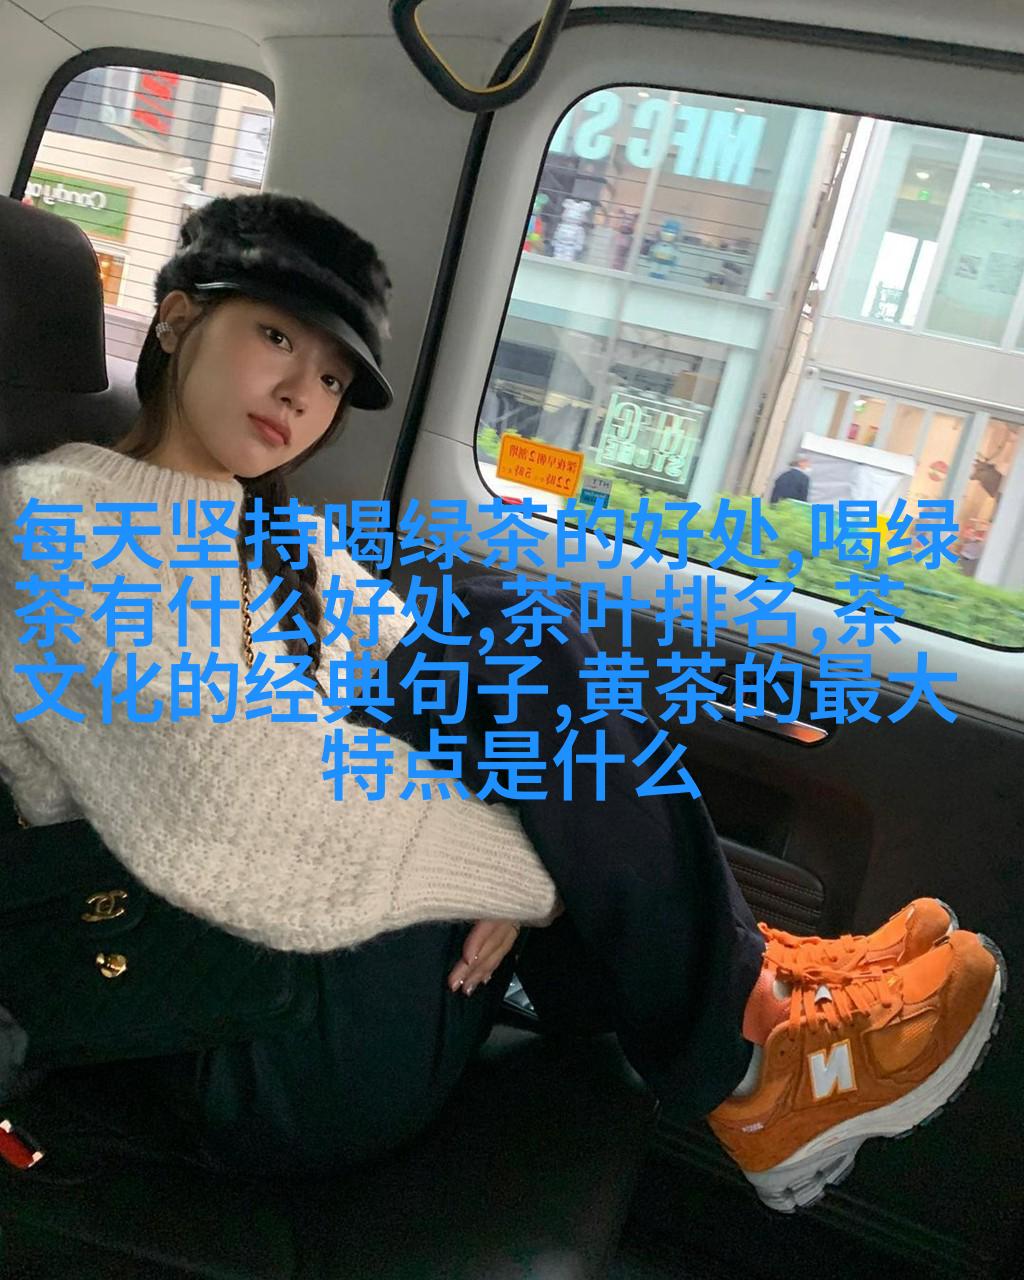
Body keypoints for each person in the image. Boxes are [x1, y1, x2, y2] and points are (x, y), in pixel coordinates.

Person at [0, 193, 1004, 1213]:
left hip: (337, 957)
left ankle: (756, 999)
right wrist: (536, 871)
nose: (303, 393)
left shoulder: (275, 536)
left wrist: (548, 840)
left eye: (335, 377)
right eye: (277, 337)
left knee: (507, 635)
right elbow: (235, 793)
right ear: (177, 319)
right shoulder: (51, 522)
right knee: (506, 640)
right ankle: (755, 1050)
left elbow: (430, 674)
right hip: (235, 1035)